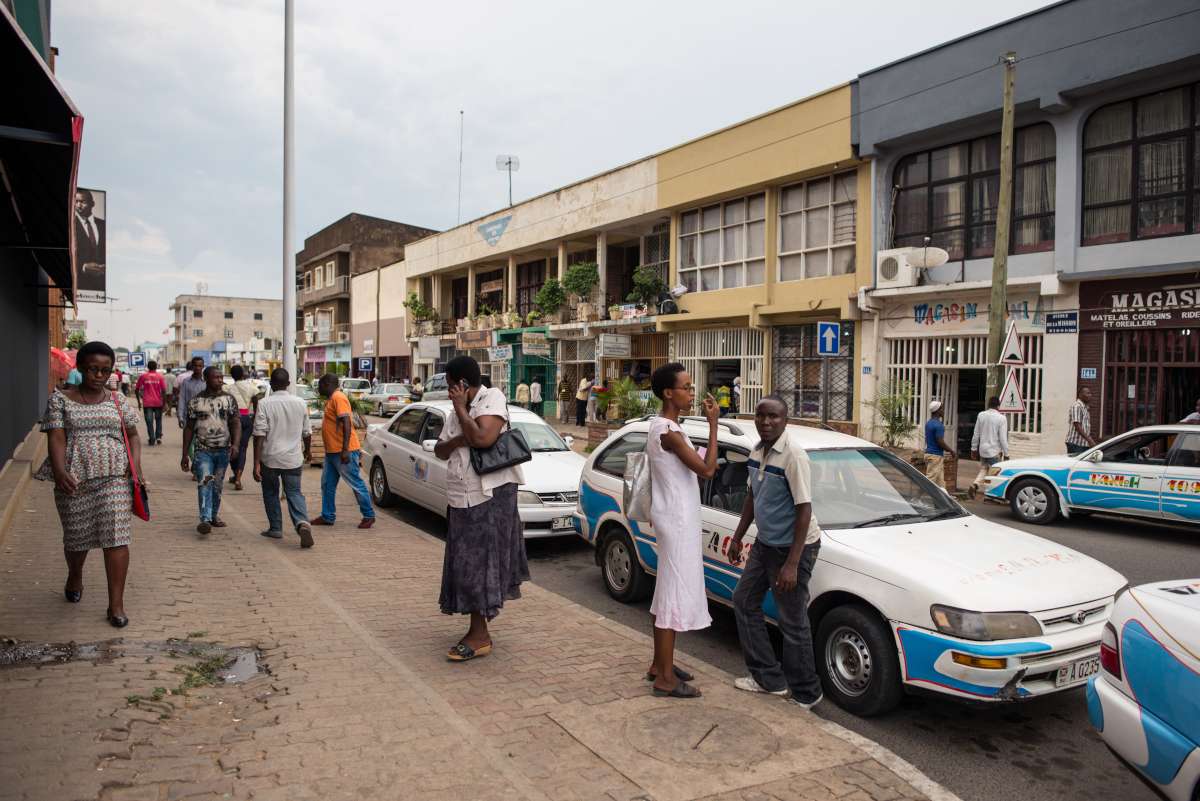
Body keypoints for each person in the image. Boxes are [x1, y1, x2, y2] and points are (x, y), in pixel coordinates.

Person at [36, 341, 141, 628]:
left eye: (105, 370)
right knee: (76, 537)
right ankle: (75, 574)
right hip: (74, 478)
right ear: (80, 367)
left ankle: (116, 605)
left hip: (115, 476)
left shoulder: (118, 400)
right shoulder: (60, 399)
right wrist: (59, 471)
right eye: (93, 369)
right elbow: (56, 436)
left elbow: (132, 435)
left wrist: (136, 471)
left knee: (117, 536)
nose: (99, 375)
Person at [728, 395, 823, 709]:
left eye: (774, 417)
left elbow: (804, 510)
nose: (767, 422)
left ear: (786, 420)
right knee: (743, 601)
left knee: (792, 621)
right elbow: (752, 498)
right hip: (765, 544)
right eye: (762, 416)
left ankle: (807, 693)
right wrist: (738, 536)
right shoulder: (757, 451)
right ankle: (769, 678)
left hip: (793, 549)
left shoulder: (793, 456)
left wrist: (792, 564)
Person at [433, 355, 529, 661]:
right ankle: (477, 629)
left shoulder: (493, 398)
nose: (448, 392)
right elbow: (440, 448)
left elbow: (484, 439)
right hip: (461, 498)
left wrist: (462, 415)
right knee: (465, 564)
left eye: (450, 386)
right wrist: (463, 433)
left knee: (480, 564)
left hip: (490, 498)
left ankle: (479, 635)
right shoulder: (455, 413)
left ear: (461, 384)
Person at [643, 362, 720, 698]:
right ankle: (664, 680)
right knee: (673, 593)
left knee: (666, 591)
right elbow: (706, 469)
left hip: (676, 516)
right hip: (676, 519)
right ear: (667, 393)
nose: (692, 392)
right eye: (686, 387)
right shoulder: (668, 432)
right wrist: (714, 426)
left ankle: (660, 664)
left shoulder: (668, 427)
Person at [252, 368, 314, 548]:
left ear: (271, 384)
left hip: (269, 458)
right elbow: (307, 432)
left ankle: (276, 528)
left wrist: (256, 462)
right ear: (288, 384)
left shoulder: (264, 403)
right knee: (294, 492)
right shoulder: (300, 403)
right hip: (293, 459)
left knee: (271, 493)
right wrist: (308, 451)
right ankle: (302, 522)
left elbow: (259, 434)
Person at [311, 373, 375, 529]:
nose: (318, 388)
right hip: (333, 452)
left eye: (319, 384)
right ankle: (327, 516)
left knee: (355, 483)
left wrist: (345, 450)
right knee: (327, 484)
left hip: (343, 451)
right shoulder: (333, 399)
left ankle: (368, 515)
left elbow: (346, 422)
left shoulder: (338, 397)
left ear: (327, 384)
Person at [181, 366, 240, 535]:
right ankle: (205, 519)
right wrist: (185, 454)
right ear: (206, 379)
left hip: (223, 451)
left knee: (218, 486)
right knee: (205, 482)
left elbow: (235, 422)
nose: (220, 380)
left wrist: (235, 444)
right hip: (203, 451)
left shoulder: (229, 399)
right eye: (216, 377)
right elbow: (189, 428)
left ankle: (213, 516)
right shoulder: (196, 401)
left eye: (221, 377)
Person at [227, 365, 263, 491]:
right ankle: (238, 477)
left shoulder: (228, 388)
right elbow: (257, 400)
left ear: (232, 376)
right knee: (242, 448)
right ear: (243, 374)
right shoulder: (251, 387)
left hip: (232, 420)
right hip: (246, 418)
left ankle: (235, 473)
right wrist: (254, 417)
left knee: (232, 446)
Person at [969, 396, 1010, 499]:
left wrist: (973, 449)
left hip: (983, 450)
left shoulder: (981, 415)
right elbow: (1003, 438)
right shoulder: (1001, 418)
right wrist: (1006, 454)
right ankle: (992, 495)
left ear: (988, 405)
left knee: (984, 469)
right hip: (994, 451)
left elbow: (976, 434)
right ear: (998, 406)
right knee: (995, 474)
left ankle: (975, 485)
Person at [73, 189, 106, 297]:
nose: (78, 205)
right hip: (80, 284)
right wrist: (83, 266)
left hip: (100, 284)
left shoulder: (103, 224)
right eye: (76, 201)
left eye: (82, 202)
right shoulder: (71, 225)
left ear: (92, 204)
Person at [135, 360, 167, 446]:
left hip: (147, 402)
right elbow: (164, 391)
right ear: (156, 367)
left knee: (149, 421)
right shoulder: (160, 377)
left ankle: (152, 438)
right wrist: (164, 403)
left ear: (148, 367)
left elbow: (136, 389)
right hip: (158, 402)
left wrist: (138, 402)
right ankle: (158, 436)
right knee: (158, 420)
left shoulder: (143, 376)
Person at [924, 400, 951, 489]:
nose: (943, 411)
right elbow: (940, 442)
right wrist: (951, 451)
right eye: (942, 408)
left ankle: (943, 500)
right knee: (929, 480)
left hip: (930, 454)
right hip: (935, 457)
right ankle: (916, 498)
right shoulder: (938, 425)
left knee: (940, 483)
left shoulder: (929, 423)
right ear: (938, 410)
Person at [1066, 387, 1097, 455]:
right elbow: (1077, 426)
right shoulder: (1077, 406)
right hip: (1075, 444)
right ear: (1080, 395)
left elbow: (1085, 427)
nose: (1090, 395)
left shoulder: (1085, 407)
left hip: (1083, 444)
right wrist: (1089, 440)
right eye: (1088, 393)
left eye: (1090, 393)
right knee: (1076, 464)